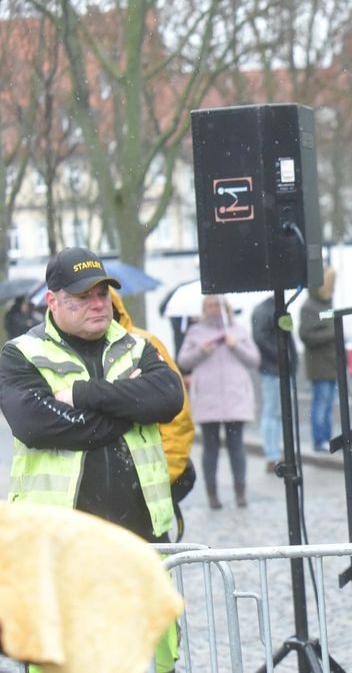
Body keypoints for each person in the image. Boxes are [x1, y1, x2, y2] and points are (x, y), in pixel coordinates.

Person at [0, 247, 184, 672]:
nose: (98, 304)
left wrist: (84, 396)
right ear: (53, 301)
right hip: (58, 546)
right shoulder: (20, 354)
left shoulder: (138, 347)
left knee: (148, 657)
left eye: (102, 293)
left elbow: (168, 398)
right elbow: (36, 424)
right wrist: (126, 413)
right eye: (82, 297)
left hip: (142, 540)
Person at [110, 288, 197, 536]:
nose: (94, 306)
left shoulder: (144, 345)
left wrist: (159, 480)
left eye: (99, 297)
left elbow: (178, 420)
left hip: (143, 500)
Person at [178, 295, 261, 509]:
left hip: (234, 396)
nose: (214, 309)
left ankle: (240, 491)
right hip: (208, 396)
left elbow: (254, 359)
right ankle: (212, 493)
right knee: (210, 447)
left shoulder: (238, 330)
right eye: (209, 306)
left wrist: (236, 346)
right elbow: (183, 361)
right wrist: (201, 351)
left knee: (236, 446)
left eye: (217, 305)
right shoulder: (196, 332)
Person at [252, 296, 297, 473]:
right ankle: (272, 454)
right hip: (272, 369)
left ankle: (277, 451)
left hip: (281, 368)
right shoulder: (264, 310)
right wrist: (282, 356)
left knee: (279, 412)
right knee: (272, 411)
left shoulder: (277, 307)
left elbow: (288, 336)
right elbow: (260, 338)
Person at [299, 268, 338, 452]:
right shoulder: (309, 307)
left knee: (329, 404)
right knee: (321, 404)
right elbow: (307, 335)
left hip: (332, 363)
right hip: (319, 365)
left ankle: (327, 438)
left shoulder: (328, 304)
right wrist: (332, 334)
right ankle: (319, 439)